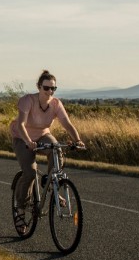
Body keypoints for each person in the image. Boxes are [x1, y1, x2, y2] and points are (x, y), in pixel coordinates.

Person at [9, 69, 85, 230]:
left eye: (53, 88)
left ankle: (51, 183)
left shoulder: (56, 104)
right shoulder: (27, 100)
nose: (50, 91)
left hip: (43, 135)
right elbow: (21, 124)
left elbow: (67, 124)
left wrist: (77, 140)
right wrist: (28, 141)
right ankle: (20, 209)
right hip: (22, 137)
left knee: (57, 149)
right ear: (38, 87)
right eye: (46, 88)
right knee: (29, 172)